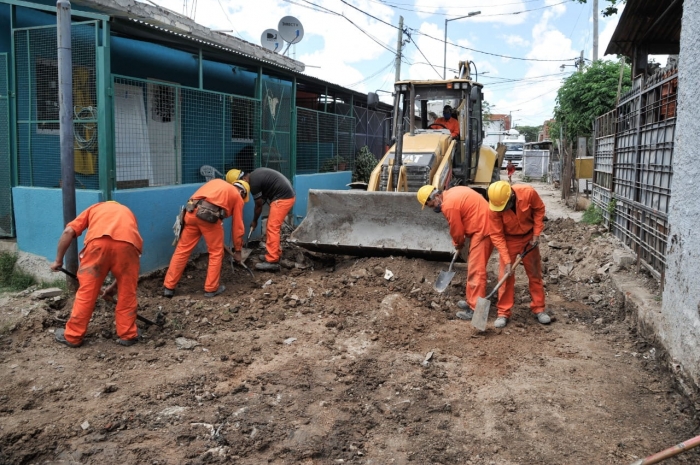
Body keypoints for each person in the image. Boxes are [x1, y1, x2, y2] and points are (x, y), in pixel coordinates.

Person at [51, 201, 143, 348]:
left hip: (98, 246)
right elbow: (124, 245)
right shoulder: (127, 212)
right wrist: (114, 288)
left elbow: (68, 231)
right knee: (127, 293)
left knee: (86, 293)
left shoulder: (94, 208)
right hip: (128, 247)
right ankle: (128, 335)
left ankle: (73, 336)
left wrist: (58, 260)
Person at [163, 177, 249, 298]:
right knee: (216, 253)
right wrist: (238, 250)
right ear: (242, 192)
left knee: (182, 250)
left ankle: (168, 287)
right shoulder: (237, 196)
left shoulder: (216, 182)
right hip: (209, 218)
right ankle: (211, 289)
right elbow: (238, 227)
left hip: (191, 212)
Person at [417, 185, 493, 320]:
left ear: (436, 196)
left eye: (431, 205)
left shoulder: (449, 205)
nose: (433, 208)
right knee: (473, 268)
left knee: (477, 271)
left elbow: (456, 230)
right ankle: (471, 301)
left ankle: (476, 310)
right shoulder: (452, 192)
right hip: (481, 226)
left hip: (484, 230)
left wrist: (458, 244)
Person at [487, 180, 551, 328]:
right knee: (506, 275)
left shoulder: (528, 193)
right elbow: (496, 234)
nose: (501, 210)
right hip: (509, 240)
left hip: (529, 237)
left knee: (535, 274)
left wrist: (536, 234)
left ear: (511, 196)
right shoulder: (494, 207)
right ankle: (503, 312)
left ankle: (539, 308)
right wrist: (507, 260)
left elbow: (539, 209)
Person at [227, 167, 295, 272]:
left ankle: (272, 260)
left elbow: (259, 205)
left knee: (272, 227)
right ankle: (275, 252)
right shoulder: (255, 176)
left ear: (243, 180)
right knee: (272, 226)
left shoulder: (253, 183)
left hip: (283, 198)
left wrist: (254, 221)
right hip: (284, 196)